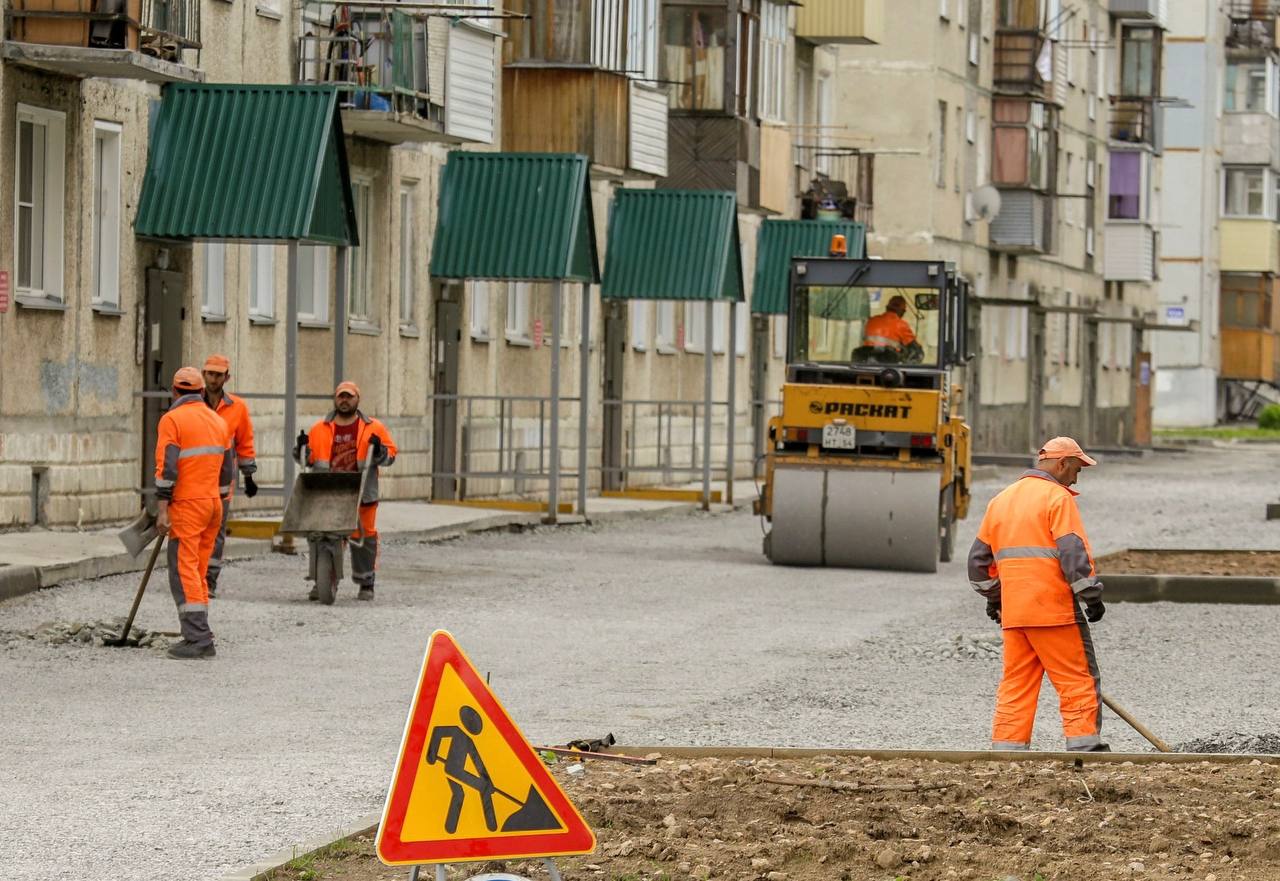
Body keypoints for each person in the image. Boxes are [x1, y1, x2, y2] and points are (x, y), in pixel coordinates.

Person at [967, 437, 1108, 751]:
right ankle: (1085, 750)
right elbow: (1073, 554)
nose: (1076, 477)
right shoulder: (1057, 498)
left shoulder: (1001, 500)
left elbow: (978, 565)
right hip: (1055, 612)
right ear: (1060, 464)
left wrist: (996, 599)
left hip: (1016, 616)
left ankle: (1008, 752)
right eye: (1076, 469)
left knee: (1017, 684)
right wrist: (1092, 597)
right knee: (1077, 680)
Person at [155, 367, 233, 660]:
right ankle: (200, 632)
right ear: (201, 392)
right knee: (198, 569)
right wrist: (219, 501)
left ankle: (197, 638)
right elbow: (228, 470)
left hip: (188, 504)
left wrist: (162, 508)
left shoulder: (172, 419)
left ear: (175, 392)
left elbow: (168, 469)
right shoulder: (218, 420)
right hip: (213, 503)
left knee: (183, 568)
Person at [294, 381, 396, 601]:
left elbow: (390, 456)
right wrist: (300, 449)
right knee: (323, 537)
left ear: (357, 400)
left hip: (361, 492)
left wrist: (379, 451)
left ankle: (366, 582)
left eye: (349, 396)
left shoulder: (373, 428)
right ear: (335, 398)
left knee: (364, 537)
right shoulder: (319, 429)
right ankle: (322, 580)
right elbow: (307, 458)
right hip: (327, 491)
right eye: (341, 396)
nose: (345, 400)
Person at [202, 354, 258, 598]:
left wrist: (248, 475)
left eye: (218, 374)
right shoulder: (193, 403)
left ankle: (209, 580)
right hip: (195, 480)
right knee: (194, 532)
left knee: (216, 533)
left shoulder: (237, 408)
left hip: (222, 483)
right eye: (209, 373)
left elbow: (244, 442)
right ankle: (193, 578)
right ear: (203, 374)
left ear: (227, 377)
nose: (213, 379)